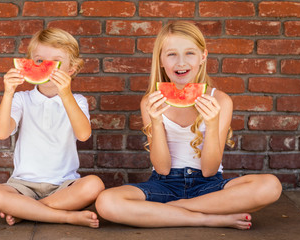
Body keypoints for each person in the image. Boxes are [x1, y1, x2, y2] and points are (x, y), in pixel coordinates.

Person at [95, 21, 282, 230]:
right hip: (164, 183)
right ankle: (206, 218)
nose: (181, 62)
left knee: (270, 186)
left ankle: (173, 209)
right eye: (172, 54)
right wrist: (156, 123)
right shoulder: (150, 102)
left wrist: (211, 125)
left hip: (208, 185)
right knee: (106, 202)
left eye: (190, 53)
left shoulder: (220, 100)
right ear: (161, 60)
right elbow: (162, 168)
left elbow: (210, 170)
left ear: (203, 56)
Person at [0, 28, 105, 228]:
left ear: (71, 70)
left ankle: (26, 211)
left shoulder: (78, 101)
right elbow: (2, 133)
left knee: (94, 185)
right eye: (39, 61)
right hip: (22, 185)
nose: (46, 67)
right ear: (29, 63)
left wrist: (66, 95)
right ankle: (65, 217)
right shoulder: (21, 99)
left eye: (55, 62)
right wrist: (8, 93)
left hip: (64, 185)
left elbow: (83, 135)